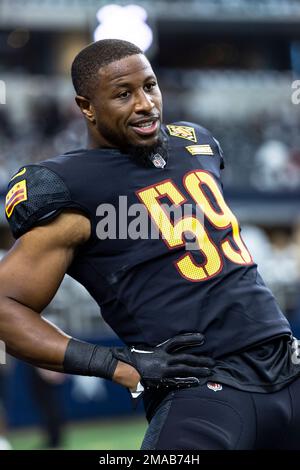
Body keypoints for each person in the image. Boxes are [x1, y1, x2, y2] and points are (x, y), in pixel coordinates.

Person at [0, 39, 300, 450]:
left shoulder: (195, 144)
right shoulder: (72, 186)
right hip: (207, 386)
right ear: (86, 107)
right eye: (124, 94)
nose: (145, 104)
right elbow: (5, 306)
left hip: (288, 362)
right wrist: (115, 364)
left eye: (150, 86)